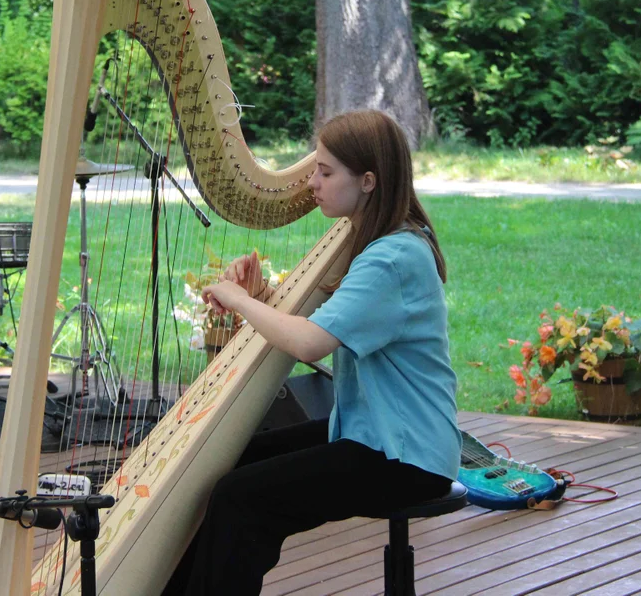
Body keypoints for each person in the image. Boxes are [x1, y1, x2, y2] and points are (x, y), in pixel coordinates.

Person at [163, 109, 462, 596]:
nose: (312, 185)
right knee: (233, 461)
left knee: (243, 498)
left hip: (405, 456)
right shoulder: (377, 238)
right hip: (372, 431)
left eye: (325, 173)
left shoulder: (392, 258)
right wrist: (258, 300)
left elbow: (309, 341)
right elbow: (319, 326)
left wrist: (238, 300)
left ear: (368, 181)